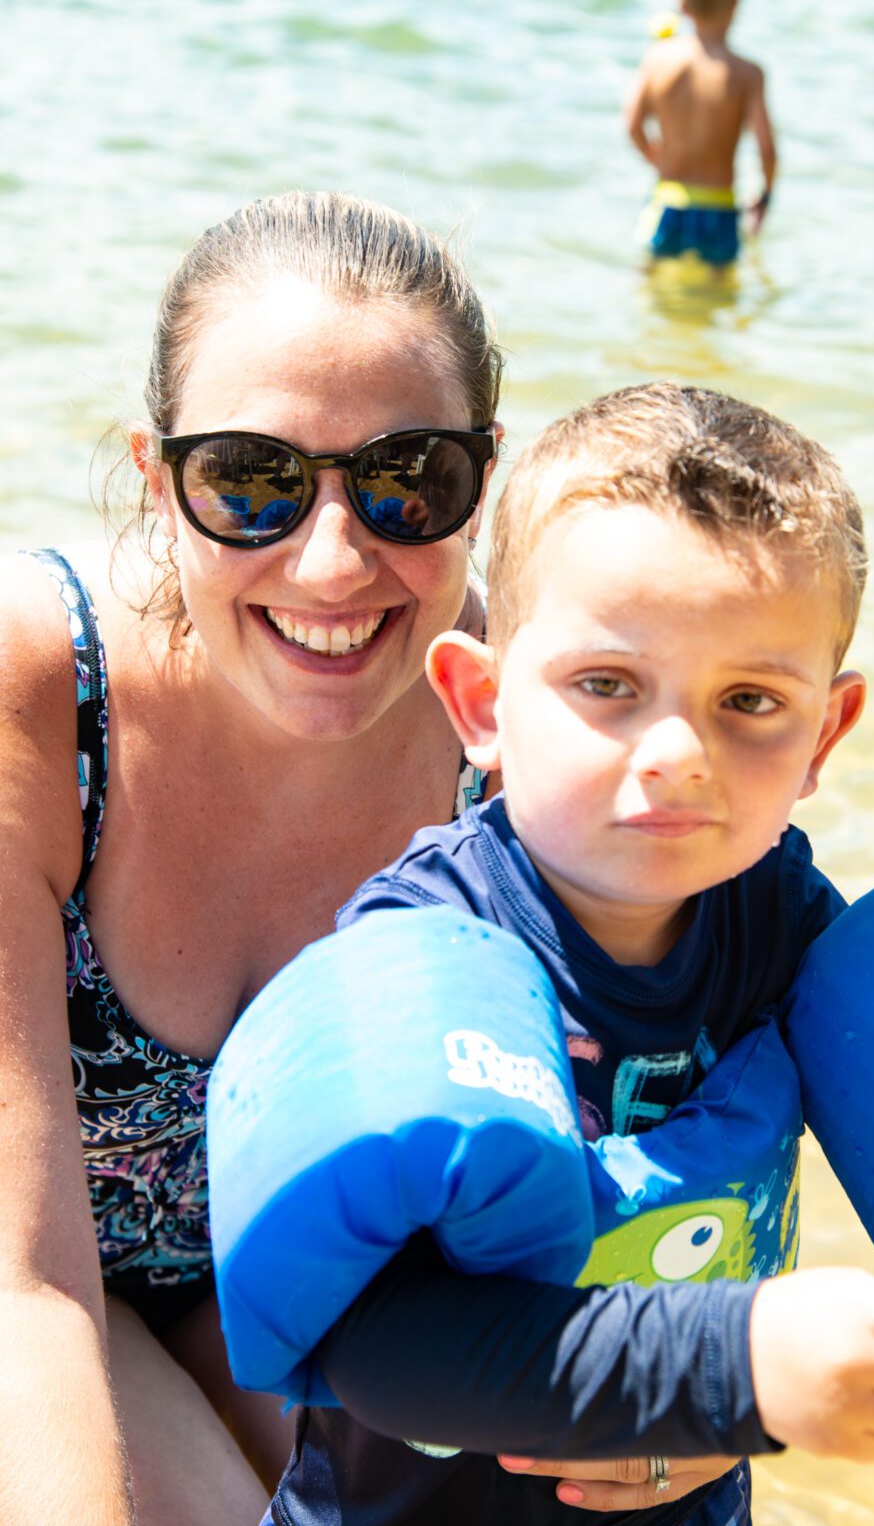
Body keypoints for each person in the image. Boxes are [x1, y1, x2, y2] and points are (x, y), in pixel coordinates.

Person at [261, 383, 874, 1526]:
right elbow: (375, 1342)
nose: (674, 753)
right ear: (480, 701)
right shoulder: (420, 944)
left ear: (825, 734)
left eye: (747, 699)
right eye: (605, 685)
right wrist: (733, 1375)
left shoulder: (784, 923)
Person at [0, 188, 522, 1526]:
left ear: (486, 475)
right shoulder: (39, 697)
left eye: (412, 480)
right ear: (158, 477)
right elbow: (30, 1295)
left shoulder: (529, 714)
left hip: (289, 1295)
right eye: (253, 481)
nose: (336, 561)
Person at [625, 0, 776, 268]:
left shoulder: (658, 58)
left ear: (682, 5)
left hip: (667, 201)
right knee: (720, 294)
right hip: (719, 208)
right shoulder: (748, 75)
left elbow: (633, 125)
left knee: (652, 286)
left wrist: (658, 160)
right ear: (736, 3)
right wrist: (764, 197)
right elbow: (766, 149)